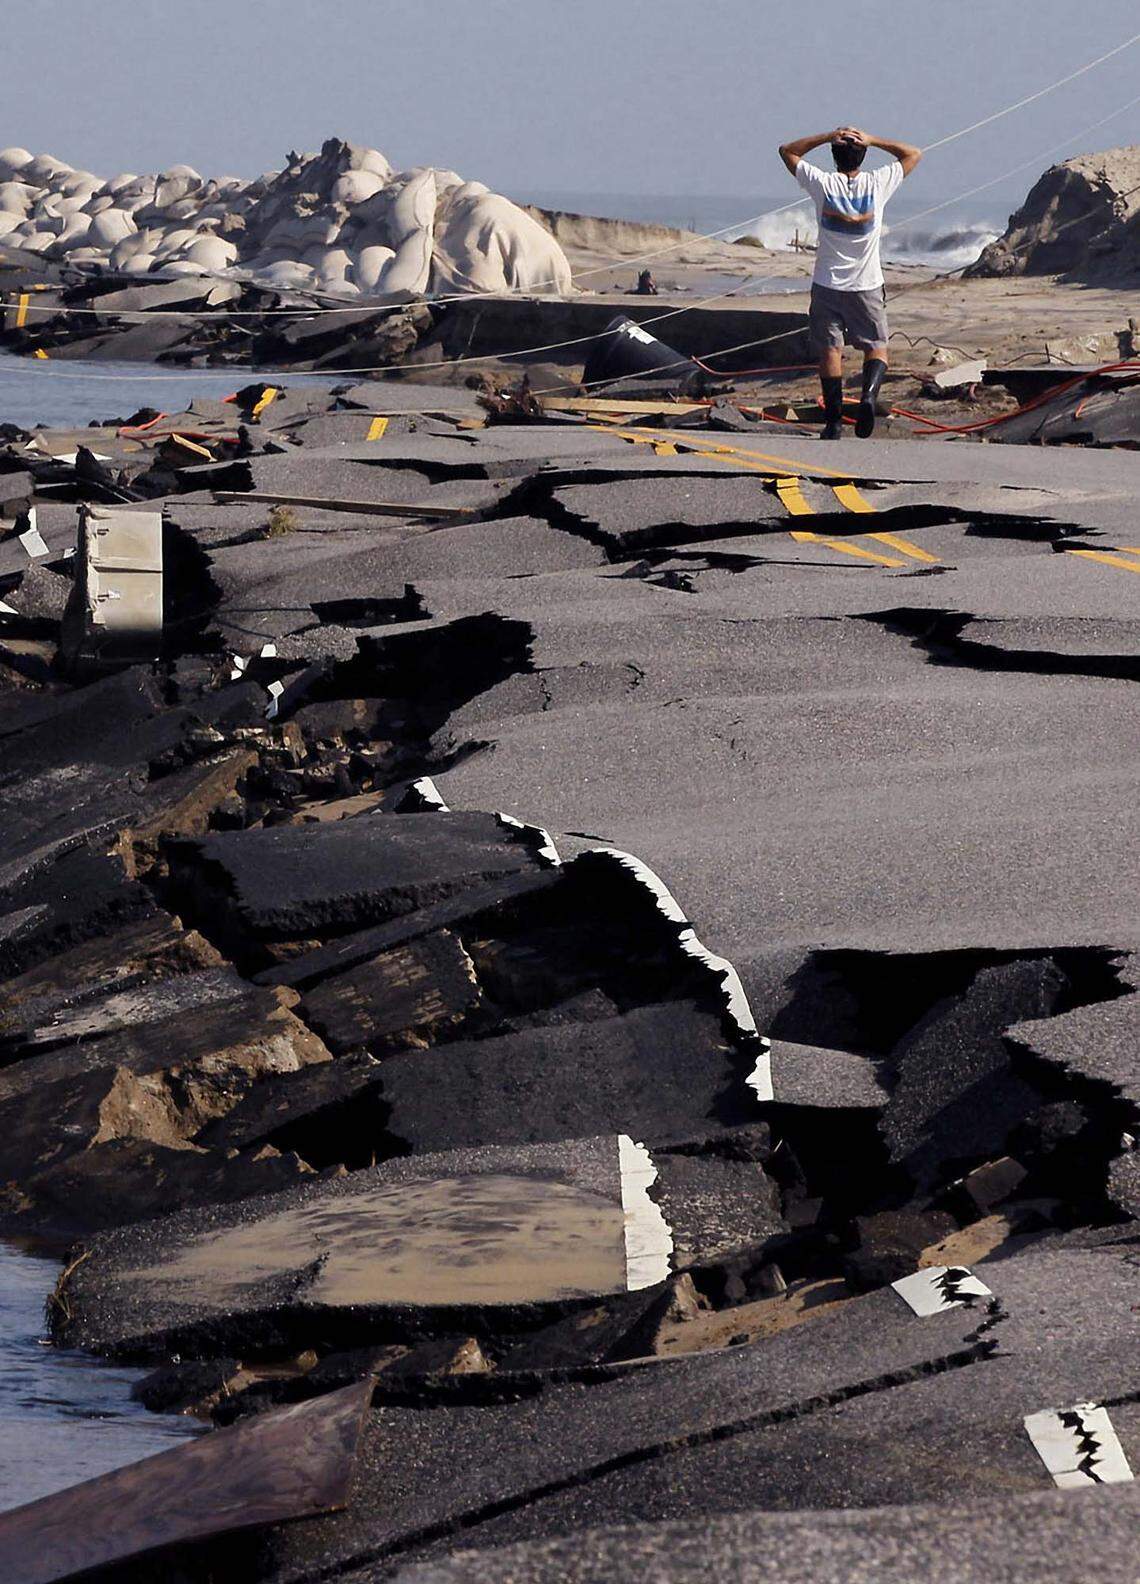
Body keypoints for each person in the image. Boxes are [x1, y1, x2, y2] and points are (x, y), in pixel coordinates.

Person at [778, 127, 922, 438]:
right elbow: (913, 154)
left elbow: (787, 151)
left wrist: (826, 136)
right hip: (866, 284)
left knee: (830, 350)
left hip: (828, 283)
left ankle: (833, 423)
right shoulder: (877, 182)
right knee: (877, 347)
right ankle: (868, 396)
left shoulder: (824, 183)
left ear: (834, 156)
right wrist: (874, 140)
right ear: (862, 156)